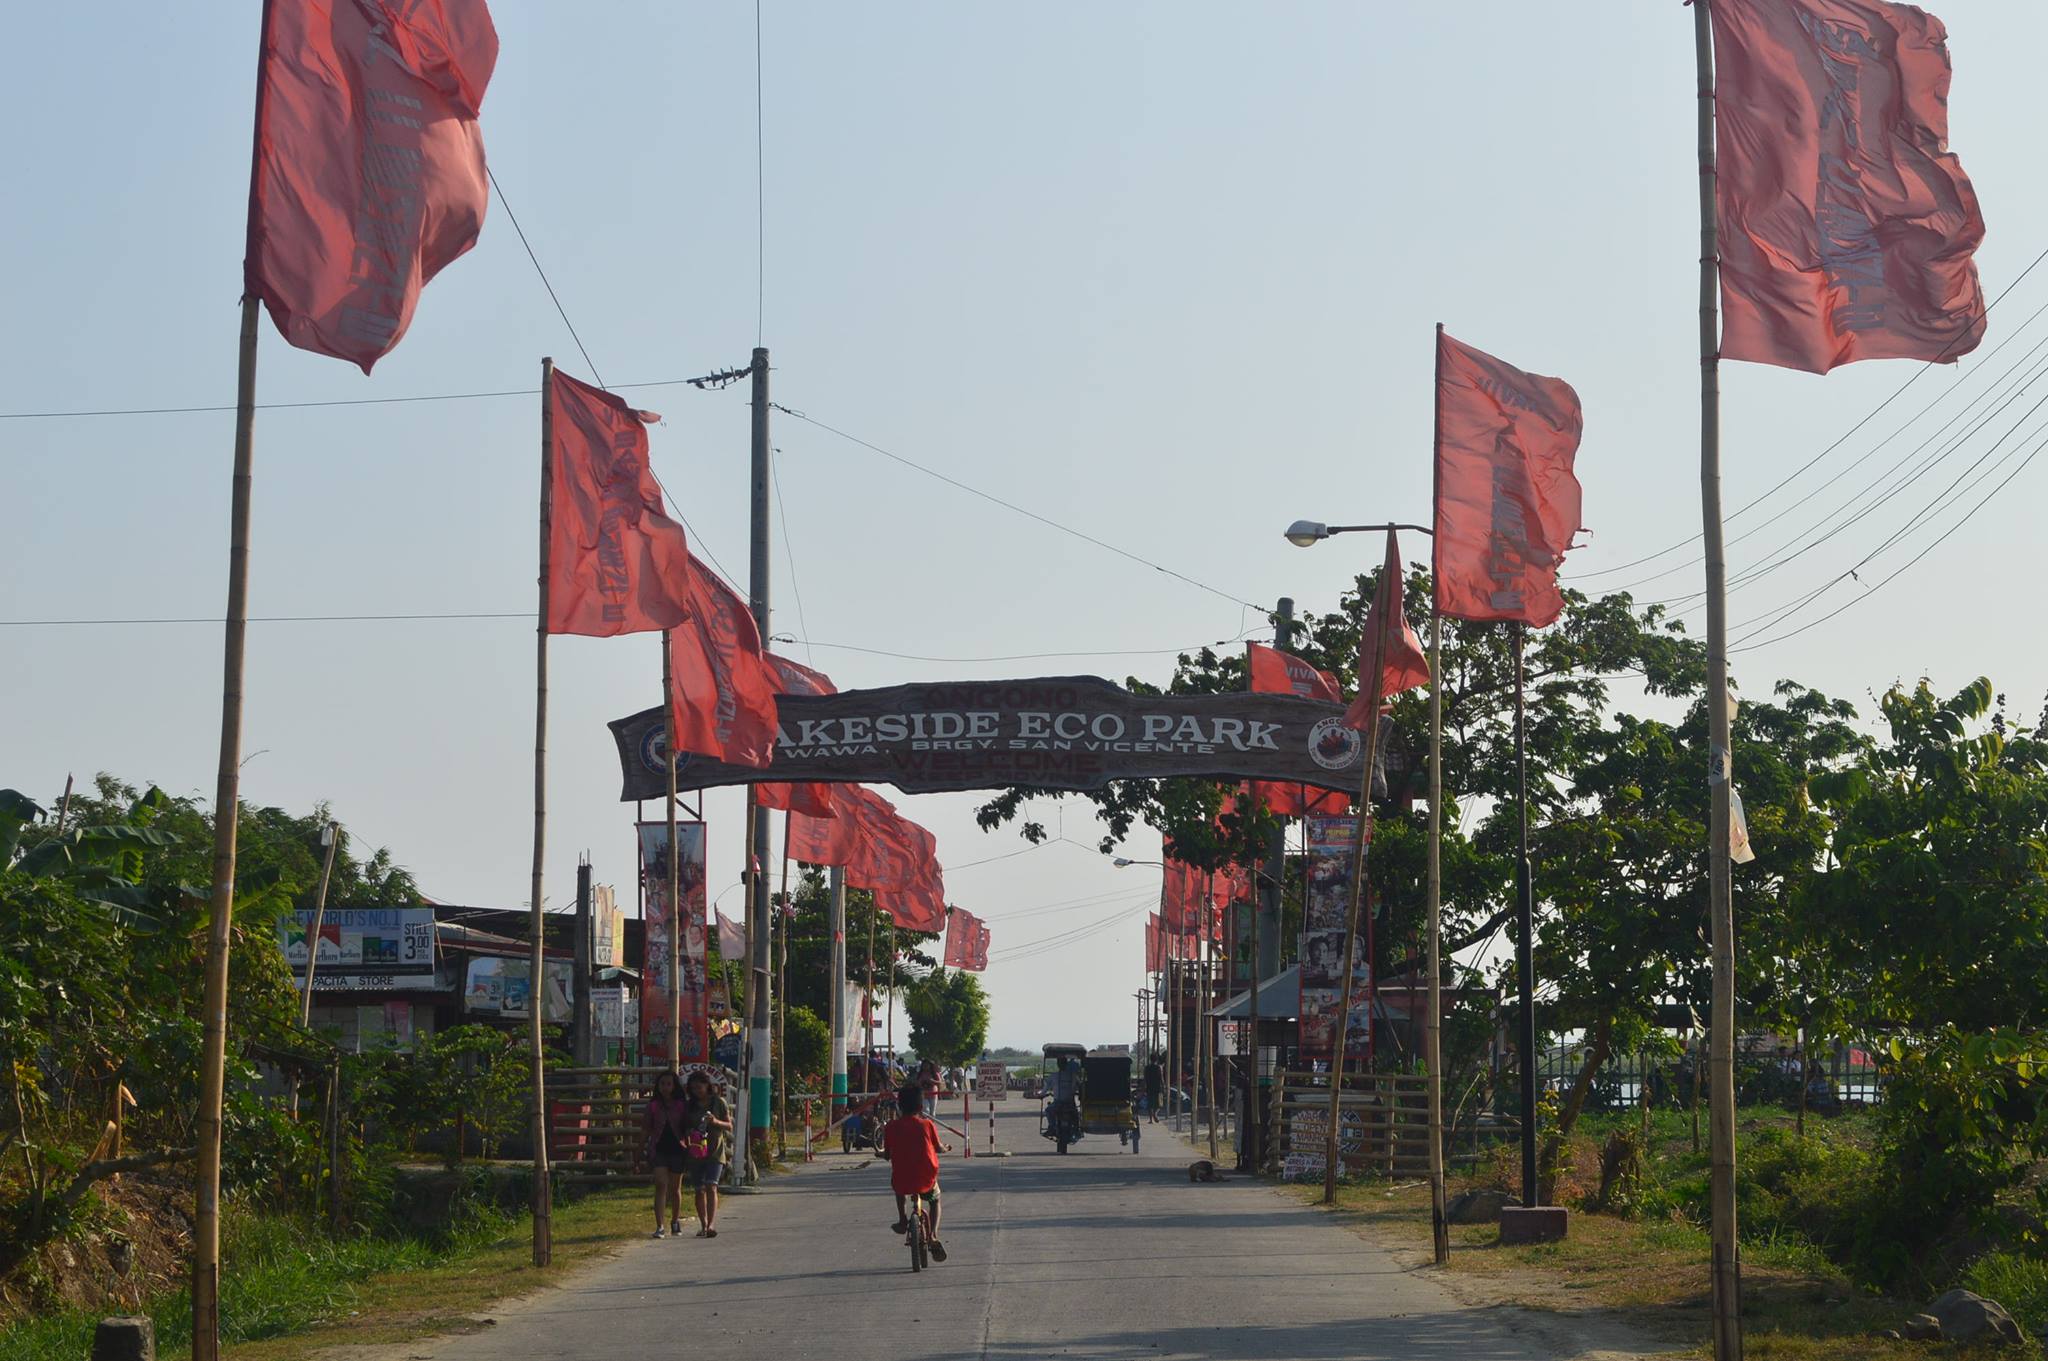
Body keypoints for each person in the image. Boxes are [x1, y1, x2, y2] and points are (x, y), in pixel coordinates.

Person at [882, 1082, 949, 1261]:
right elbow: (938, 1147)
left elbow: (887, 1154)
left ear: (899, 1106)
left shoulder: (891, 1127)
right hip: (926, 1177)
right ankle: (933, 1235)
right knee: (935, 1200)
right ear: (920, 1106)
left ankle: (903, 1219)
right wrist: (946, 1148)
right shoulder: (927, 1125)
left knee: (899, 1190)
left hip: (902, 1178)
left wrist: (882, 1154)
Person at [681, 1069, 735, 1238]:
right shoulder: (689, 1106)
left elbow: (729, 1125)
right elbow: (683, 1126)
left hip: (715, 1151)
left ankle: (711, 1224)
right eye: (694, 1088)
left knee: (712, 1186)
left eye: (700, 1087)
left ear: (707, 1086)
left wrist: (715, 1121)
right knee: (699, 1190)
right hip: (696, 1152)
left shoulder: (718, 1103)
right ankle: (703, 1224)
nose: (698, 1091)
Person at [641, 1070, 691, 1239]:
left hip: (678, 1149)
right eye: (662, 1084)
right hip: (659, 1149)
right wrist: (639, 1149)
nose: (665, 1087)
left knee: (675, 1188)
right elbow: (646, 1129)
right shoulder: (653, 1105)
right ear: (658, 1086)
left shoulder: (681, 1105)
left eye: (669, 1084)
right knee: (661, 1184)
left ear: (674, 1086)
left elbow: (688, 1127)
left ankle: (675, 1221)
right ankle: (659, 1225)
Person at [1144, 1056, 1164, 1123]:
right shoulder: (1159, 1067)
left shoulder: (1147, 1068)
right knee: (1160, 1103)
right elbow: (1161, 1078)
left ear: (1150, 1059)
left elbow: (1145, 1079)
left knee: (1150, 1104)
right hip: (1158, 1088)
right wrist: (1163, 1086)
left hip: (1149, 1088)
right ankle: (1155, 1113)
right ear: (1156, 1060)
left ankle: (1150, 1119)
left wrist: (1144, 1088)